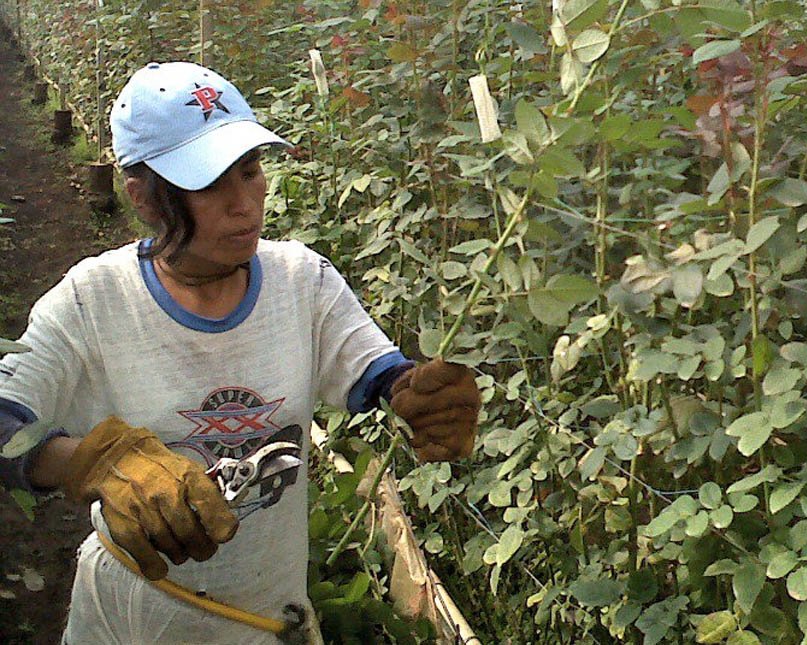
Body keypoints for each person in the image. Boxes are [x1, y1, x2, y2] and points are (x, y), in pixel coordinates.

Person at [0, 61, 480, 644]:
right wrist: (94, 464)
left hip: (261, 615)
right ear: (143, 196)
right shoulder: (92, 300)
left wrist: (419, 395)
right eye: (207, 184)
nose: (244, 203)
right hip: (131, 613)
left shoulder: (301, 281)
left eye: (250, 171)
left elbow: (380, 372)